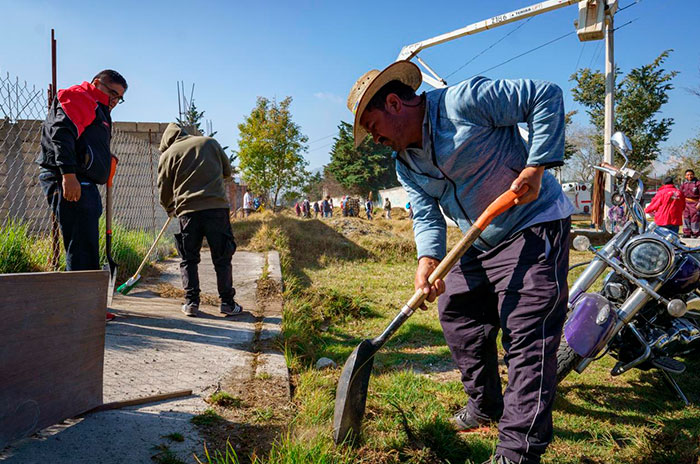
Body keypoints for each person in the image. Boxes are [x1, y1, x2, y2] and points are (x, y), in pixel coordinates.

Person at [347, 61, 574, 464]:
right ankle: (486, 405)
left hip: (533, 223)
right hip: (479, 235)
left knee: (527, 332)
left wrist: (537, 165)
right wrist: (427, 259)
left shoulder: (463, 103)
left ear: (395, 103)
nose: (374, 138)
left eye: (372, 124)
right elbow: (426, 213)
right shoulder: (406, 163)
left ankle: (517, 451)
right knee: (456, 311)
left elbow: (546, 93)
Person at [38, 70, 127, 322]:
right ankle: (80, 310)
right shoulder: (80, 97)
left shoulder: (99, 108)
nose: (114, 100)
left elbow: (84, 141)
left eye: (120, 98)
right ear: (96, 83)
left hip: (85, 181)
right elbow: (62, 134)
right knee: (80, 247)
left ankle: (87, 306)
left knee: (86, 245)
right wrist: (68, 175)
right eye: (112, 93)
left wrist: (104, 160)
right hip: (70, 180)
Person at [158, 123, 242, 318]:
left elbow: (164, 189)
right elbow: (227, 172)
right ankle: (228, 303)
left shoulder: (168, 155)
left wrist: (170, 208)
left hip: (188, 212)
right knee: (222, 257)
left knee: (188, 258)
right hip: (216, 209)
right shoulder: (210, 143)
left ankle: (191, 302)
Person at [680, 169, 700, 238]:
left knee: (695, 218)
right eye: (688, 175)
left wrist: (699, 203)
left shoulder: (698, 183)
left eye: (691, 174)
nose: (689, 176)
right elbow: (680, 194)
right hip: (686, 203)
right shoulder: (683, 184)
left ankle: (695, 233)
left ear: (693, 175)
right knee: (686, 217)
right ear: (685, 176)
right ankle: (687, 233)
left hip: (695, 203)